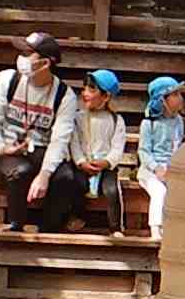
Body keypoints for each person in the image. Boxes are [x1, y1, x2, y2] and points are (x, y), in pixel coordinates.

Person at [0, 35, 66, 229]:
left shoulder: (64, 95)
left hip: (41, 151)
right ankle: (16, 225)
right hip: (6, 152)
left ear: (46, 63)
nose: (21, 58)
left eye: (27, 53)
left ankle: (48, 230)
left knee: (65, 176)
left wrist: (44, 174)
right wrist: (2, 147)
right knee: (21, 172)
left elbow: (60, 140)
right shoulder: (7, 79)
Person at [33, 67, 130, 234]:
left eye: (91, 89)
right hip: (82, 166)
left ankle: (116, 227)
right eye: (84, 88)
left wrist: (106, 162)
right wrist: (81, 162)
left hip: (105, 168)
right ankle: (78, 215)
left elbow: (117, 147)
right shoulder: (78, 117)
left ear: (106, 96)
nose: (85, 93)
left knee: (112, 190)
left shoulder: (116, 120)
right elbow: (74, 143)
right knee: (76, 184)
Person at [131, 75, 185, 235]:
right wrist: (156, 168)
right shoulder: (148, 123)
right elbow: (144, 151)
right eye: (175, 94)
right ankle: (156, 228)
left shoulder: (179, 122)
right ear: (162, 100)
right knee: (159, 191)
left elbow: (177, 146)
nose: (180, 98)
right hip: (150, 171)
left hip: (171, 169)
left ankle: (178, 229)